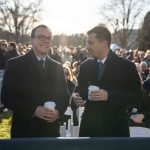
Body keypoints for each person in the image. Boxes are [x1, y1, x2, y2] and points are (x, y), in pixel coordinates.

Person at [72, 25, 143, 137]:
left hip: (115, 129)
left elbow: (137, 96)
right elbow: (79, 89)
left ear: (104, 43)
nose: (87, 47)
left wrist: (109, 96)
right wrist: (75, 98)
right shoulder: (85, 66)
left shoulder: (126, 66)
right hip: (89, 129)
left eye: (90, 43)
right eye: (87, 43)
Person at [1, 25, 69, 138]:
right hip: (25, 131)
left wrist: (58, 113)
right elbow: (7, 96)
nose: (45, 41)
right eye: (41, 37)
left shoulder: (58, 67)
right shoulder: (15, 64)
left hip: (51, 132)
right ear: (32, 40)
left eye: (48, 38)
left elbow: (65, 96)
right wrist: (33, 110)